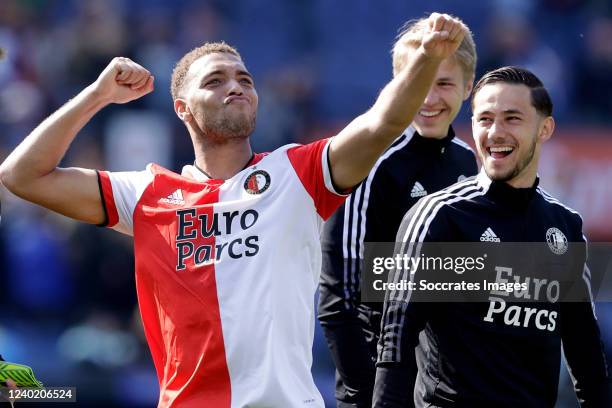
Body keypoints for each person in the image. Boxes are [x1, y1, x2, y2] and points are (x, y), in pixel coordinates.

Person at [0, 13, 469, 408]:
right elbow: (21, 175)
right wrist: (97, 95)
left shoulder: (295, 173)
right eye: (216, 80)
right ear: (183, 109)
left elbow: (382, 121)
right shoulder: (146, 193)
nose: (237, 86)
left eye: (245, 78)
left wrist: (426, 59)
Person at [373, 66, 610, 407]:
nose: (495, 132)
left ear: (545, 129)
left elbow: (585, 352)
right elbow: (395, 338)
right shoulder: (441, 216)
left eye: (512, 119)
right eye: (484, 119)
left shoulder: (565, 226)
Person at [317, 16, 478, 408]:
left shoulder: (470, 163)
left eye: (443, 83)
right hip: (379, 385)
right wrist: (368, 390)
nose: (428, 98)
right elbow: (338, 295)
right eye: (417, 81)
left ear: (469, 86)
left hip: (445, 386)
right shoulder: (369, 159)